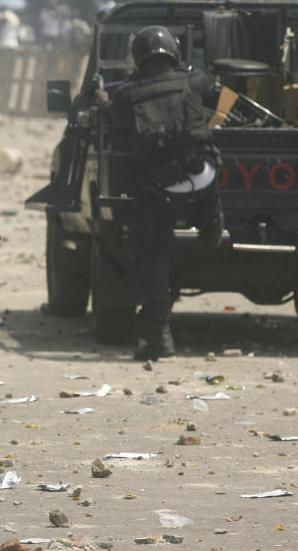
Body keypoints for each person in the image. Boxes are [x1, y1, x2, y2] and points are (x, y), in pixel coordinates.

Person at [105, 25, 222, 360]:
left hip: (159, 187)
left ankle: (161, 336)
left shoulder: (128, 94)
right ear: (173, 52)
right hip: (203, 176)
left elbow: (114, 123)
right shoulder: (191, 81)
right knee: (213, 162)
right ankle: (211, 218)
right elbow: (212, 85)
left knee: (155, 253)